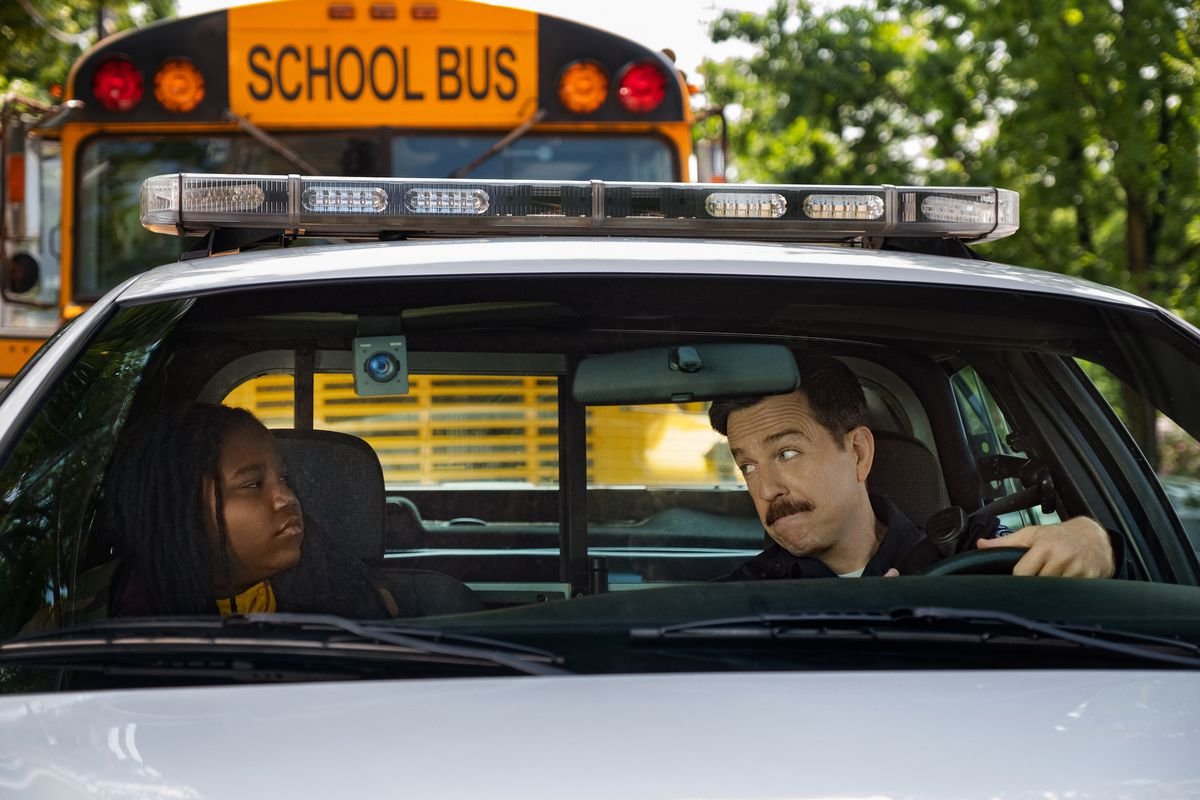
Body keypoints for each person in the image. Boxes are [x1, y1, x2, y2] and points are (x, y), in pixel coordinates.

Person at [708, 354, 1118, 580]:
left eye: (786, 454)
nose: (766, 490)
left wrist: (1096, 544)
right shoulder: (738, 600)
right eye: (748, 467)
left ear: (858, 453)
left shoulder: (973, 552)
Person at [102, 403, 398, 618]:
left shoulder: (340, 589)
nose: (287, 498)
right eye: (253, 484)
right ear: (178, 510)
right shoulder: (112, 624)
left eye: (284, 479)